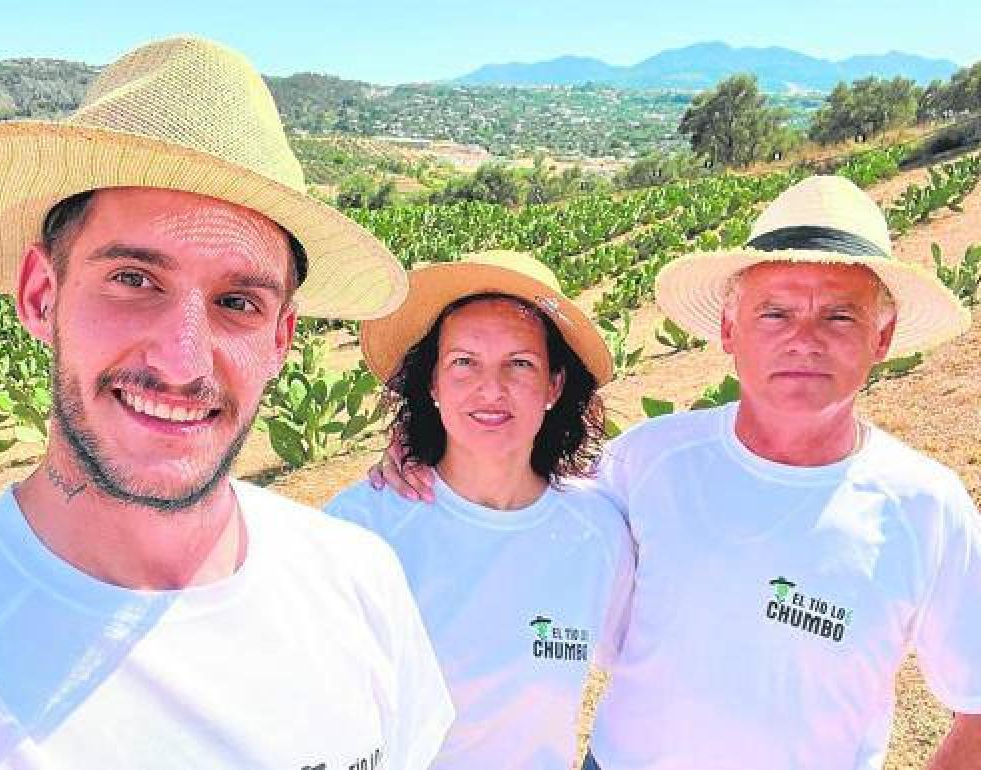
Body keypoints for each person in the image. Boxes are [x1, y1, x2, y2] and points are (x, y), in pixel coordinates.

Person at [0, 36, 453, 769]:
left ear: (280, 338)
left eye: (237, 301)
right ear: (41, 295)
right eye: (135, 280)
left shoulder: (360, 582)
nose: (182, 359)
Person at [375, 176, 981, 769]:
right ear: (727, 330)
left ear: (884, 336)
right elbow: (519, 495)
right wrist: (427, 441)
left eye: (840, 317)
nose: (804, 341)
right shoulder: (645, 462)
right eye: (774, 314)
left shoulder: (929, 507)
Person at [326, 251, 633, 769]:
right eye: (464, 362)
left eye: (520, 363)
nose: (491, 389)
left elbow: (644, 671)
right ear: (433, 384)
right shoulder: (363, 530)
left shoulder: (599, 531)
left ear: (554, 386)